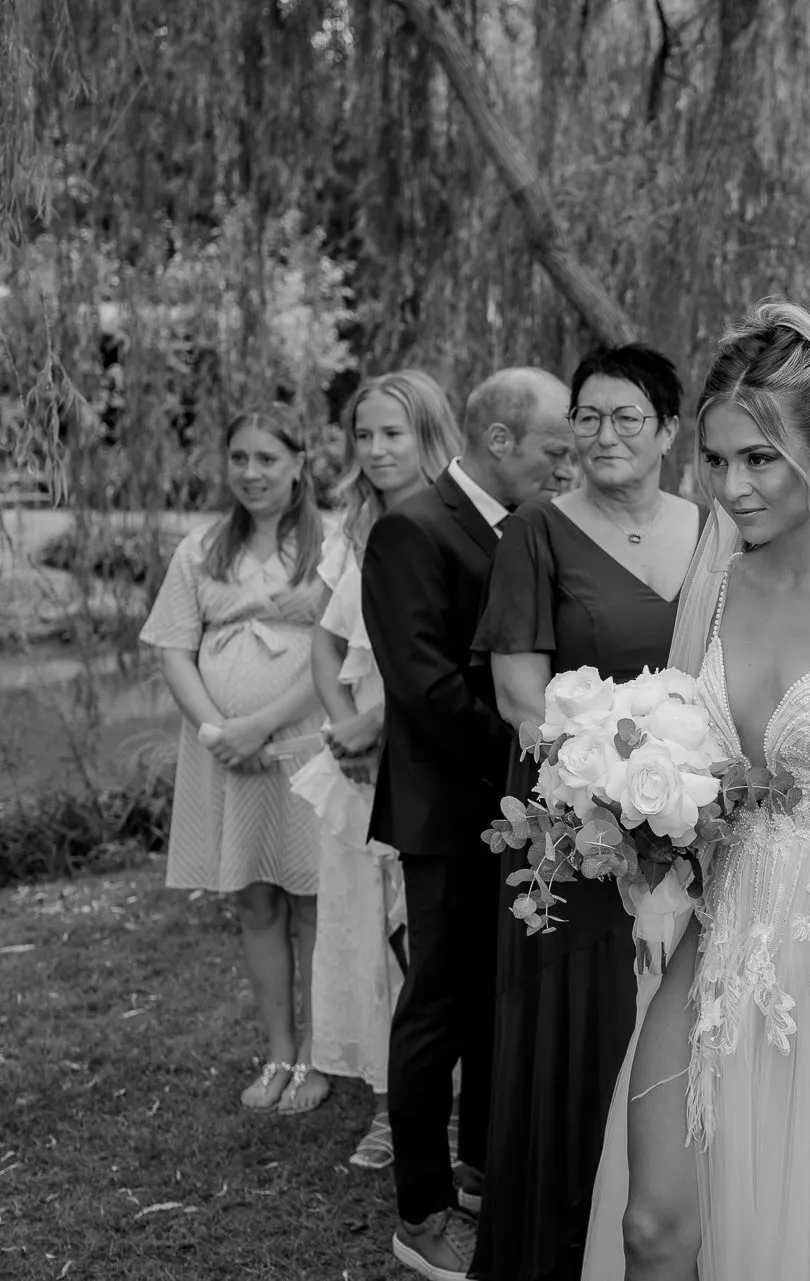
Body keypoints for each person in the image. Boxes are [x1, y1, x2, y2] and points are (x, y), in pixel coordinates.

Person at [577, 300, 810, 1280]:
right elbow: (684, 758)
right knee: (652, 1228)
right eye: (715, 460)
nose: (733, 486)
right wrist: (632, 817)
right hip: (716, 928)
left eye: (760, 459)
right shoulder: (713, 588)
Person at [471, 345, 702, 1281]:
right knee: (583, 1030)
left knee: (674, 1024)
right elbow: (518, 692)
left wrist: (685, 791)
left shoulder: (713, 528)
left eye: (628, 417)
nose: (605, 435)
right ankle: (559, 1249)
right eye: (589, 416)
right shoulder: (537, 530)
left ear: (669, 431)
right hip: (573, 836)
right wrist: (603, 785)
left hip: (689, 828)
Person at [365, 368, 577, 1281]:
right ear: (498, 440)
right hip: (450, 813)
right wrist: (535, 757)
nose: (565, 464)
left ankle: (485, 1172)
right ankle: (421, 1210)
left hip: (515, 810)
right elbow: (427, 686)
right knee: (438, 1006)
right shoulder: (411, 529)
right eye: (554, 448)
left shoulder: (529, 527)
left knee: (502, 995)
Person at [140, 404, 329, 1112]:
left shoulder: (332, 544)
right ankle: (277, 1050)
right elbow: (172, 648)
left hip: (302, 741)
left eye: (267, 458)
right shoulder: (201, 547)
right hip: (224, 751)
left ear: (298, 464)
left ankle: (317, 1056)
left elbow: (344, 651)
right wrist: (219, 730)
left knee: (311, 896)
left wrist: (261, 726)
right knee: (255, 897)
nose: (251, 472)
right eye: (239, 457)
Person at [301, 371, 462, 1170]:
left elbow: (453, 663)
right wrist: (344, 728)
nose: (375, 449)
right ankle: (389, 1100)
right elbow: (326, 641)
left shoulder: (456, 527)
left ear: (428, 434)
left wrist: (381, 727)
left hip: (423, 743)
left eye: (392, 433)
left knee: (423, 934)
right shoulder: (356, 530)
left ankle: (450, 1101)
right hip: (359, 757)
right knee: (368, 923)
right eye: (363, 435)